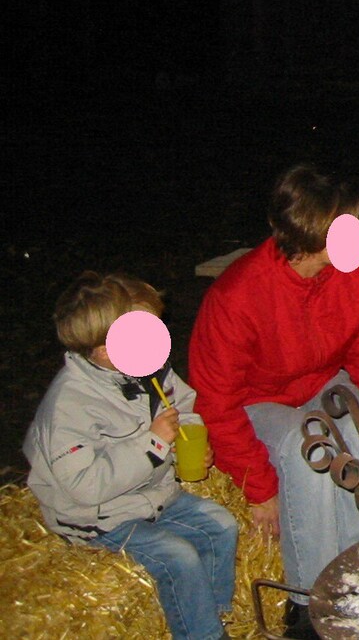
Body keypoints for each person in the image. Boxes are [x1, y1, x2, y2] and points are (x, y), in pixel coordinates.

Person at [188, 164, 359, 639]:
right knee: (310, 456)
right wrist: (258, 486)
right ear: (311, 233)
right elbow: (216, 399)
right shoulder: (238, 294)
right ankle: (308, 603)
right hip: (255, 399)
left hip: (322, 381)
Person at [24, 272, 237, 640]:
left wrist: (189, 442)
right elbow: (85, 487)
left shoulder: (147, 370)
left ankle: (214, 616)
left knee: (221, 526)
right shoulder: (70, 405)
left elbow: (180, 404)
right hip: (98, 517)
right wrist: (154, 445)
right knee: (179, 557)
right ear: (107, 350)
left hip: (151, 497)